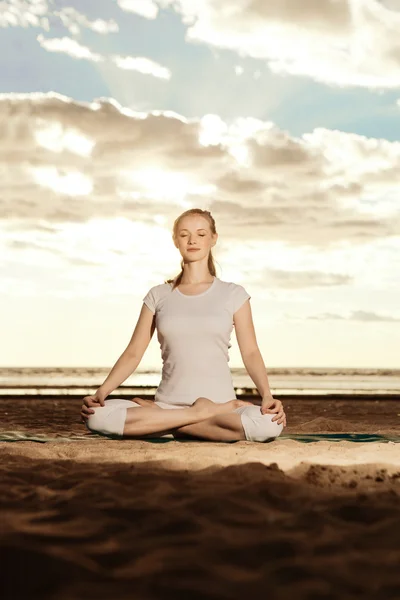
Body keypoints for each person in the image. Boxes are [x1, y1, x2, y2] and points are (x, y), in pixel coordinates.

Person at [80, 208, 286, 442]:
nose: (192, 240)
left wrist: (267, 396)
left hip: (222, 408)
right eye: (184, 234)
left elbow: (250, 352)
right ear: (175, 240)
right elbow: (134, 352)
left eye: (200, 234)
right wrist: (102, 393)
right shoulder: (158, 295)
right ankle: (194, 415)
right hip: (169, 406)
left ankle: (168, 424)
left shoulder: (233, 294)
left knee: (268, 424)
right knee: (96, 415)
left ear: (213, 238)